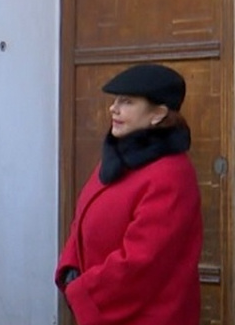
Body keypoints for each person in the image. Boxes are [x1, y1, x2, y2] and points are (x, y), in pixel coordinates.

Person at [55, 63, 202, 325]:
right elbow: (81, 220)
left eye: (127, 102)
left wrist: (84, 291)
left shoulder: (171, 175)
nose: (114, 108)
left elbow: (142, 262)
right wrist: (71, 267)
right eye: (115, 101)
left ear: (157, 114)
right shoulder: (117, 159)